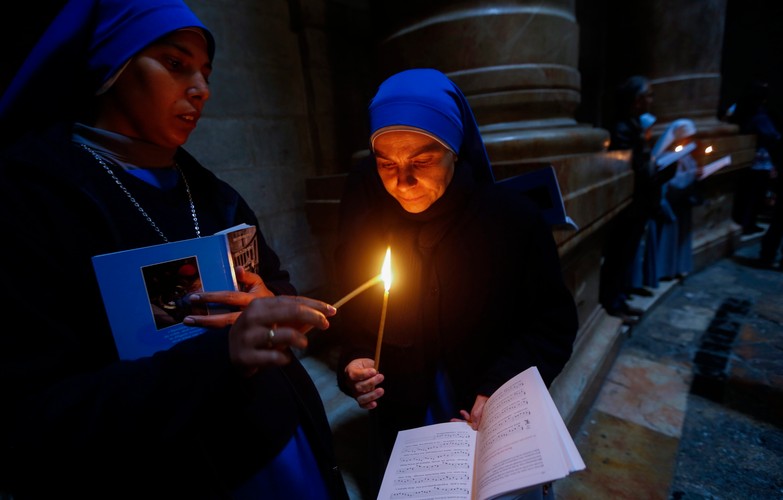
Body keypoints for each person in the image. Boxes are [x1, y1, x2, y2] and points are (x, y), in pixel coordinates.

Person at [0, 1, 349, 498]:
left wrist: (272, 301)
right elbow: (32, 416)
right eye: (176, 64)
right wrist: (219, 356)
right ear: (114, 64)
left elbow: (275, 277)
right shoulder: (33, 198)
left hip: (280, 448)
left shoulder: (213, 192)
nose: (202, 89)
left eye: (206, 73)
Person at [332, 68, 579, 497]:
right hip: (405, 421)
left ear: (454, 149)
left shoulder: (512, 220)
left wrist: (496, 388)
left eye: (422, 161)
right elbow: (356, 322)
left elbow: (550, 323)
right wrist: (353, 363)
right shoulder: (368, 227)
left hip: (489, 415)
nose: (402, 181)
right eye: (386, 164)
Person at [598, 75, 676, 324]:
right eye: (649, 95)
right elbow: (634, 170)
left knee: (627, 255)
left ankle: (619, 298)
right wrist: (663, 172)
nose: (652, 100)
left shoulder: (634, 125)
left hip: (639, 202)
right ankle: (612, 301)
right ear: (638, 100)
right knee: (619, 255)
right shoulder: (623, 128)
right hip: (630, 203)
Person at [650, 118, 702, 281]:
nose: (689, 141)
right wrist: (693, 174)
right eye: (686, 137)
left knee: (681, 235)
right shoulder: (665, 155)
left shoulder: (685, 154)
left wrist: (698, 171)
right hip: (670, 201)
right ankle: (664, 269)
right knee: (667, 235)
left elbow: (689, 170)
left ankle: (678, 267)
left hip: (683, 201)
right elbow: (673, 181)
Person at [727, 80, 781, 235]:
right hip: (759, 158)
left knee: (746, 194)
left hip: (744, 156)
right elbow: (772, 134)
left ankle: (744, 221)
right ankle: (748, 223)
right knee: (754, 194)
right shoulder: (758, 113)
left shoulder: (737, 109)